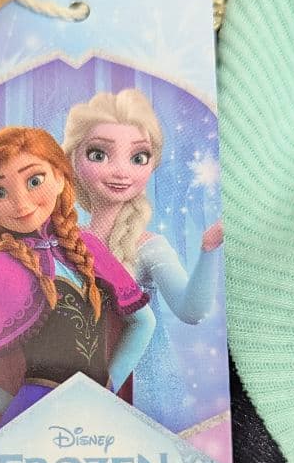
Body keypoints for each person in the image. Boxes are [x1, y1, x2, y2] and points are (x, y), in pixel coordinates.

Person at [0, 126, 155, 430]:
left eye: (34, 181)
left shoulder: (87, 246)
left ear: (60, 177)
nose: (21, 203)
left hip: (98, 410)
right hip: (35, 416)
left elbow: (143, 322)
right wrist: (14, 405)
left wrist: (110, 385)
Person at [63, 89, 223, 424]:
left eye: (138, 158)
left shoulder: (149, 247)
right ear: (73, 160)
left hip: (141, 380)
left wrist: (208, 249)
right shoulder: (64, 240)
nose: (121, 172)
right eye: (98, 154)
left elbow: (191, 311)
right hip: (69, 373)